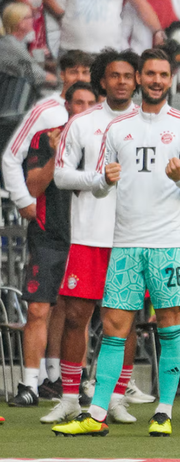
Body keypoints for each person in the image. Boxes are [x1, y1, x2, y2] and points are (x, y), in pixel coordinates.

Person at [52, 48, 180, 438]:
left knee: (170, 322)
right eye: (150, 74)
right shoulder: (117, 129)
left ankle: (165, 411)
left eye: (163, 74)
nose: (156, 80)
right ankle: (97, 413)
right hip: (125, 242)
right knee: (114, 326)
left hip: (168, 242)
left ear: (171, 80)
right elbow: (103, 188)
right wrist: (103, 180)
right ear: (139, 78)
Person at [45, 49, 152, 425]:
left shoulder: (150, 123)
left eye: (128, 75)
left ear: (137, 79)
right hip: (90, 235)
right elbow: (61, 176)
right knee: (76, 316)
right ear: (101, 81)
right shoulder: (82, 122)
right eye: (114, 75)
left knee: (124, 321)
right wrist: (98, 179)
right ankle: (71, 397)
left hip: (134, 237)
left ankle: (116, 397)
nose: (121, 81)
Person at [5, 82, 95, 409]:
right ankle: (29, 384)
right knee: (39, 308)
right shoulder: (45, 137)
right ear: (67, 105)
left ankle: (67, 381)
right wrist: (58, 154)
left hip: (87, 236)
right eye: (78, 102)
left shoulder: (104, 139)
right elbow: (33, 185)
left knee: (76, 314)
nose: (83, 108)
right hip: (48, 233)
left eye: (89, 103)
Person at [3, 50, 91, 226]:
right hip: (51, 218)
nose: (79, 77)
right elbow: (11, 157)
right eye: (74, 72)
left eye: (84, 72)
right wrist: (24, 201)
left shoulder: (99, 108)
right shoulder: (44, 110)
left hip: (87, 216)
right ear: (62, 74)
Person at [39, 0, 166, 53]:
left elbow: (141, 5)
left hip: (108, 52)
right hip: (71, 49)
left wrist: (158, 31)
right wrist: (59, 13)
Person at [0, 2, 54, 87]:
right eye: (30, 17)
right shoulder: (13, 46)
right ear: (20, 22)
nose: (33, 19)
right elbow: (41, 76)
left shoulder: (12, 42)